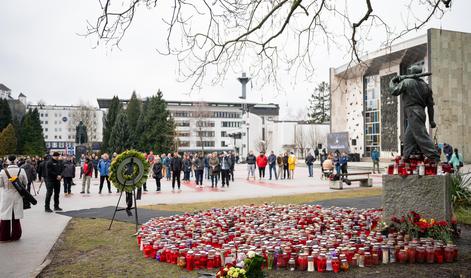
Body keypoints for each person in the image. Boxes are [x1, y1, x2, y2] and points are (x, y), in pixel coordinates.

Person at [0, 155, 28, 241]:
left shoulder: (3, 172)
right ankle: (16, 235)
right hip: (17, 194)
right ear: (16, 161)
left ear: (7, 161)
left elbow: (0, 184)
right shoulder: (21, 170)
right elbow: (25, 182)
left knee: (5, 216)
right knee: (16, 216)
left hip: (7, 195)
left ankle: (4, 236)